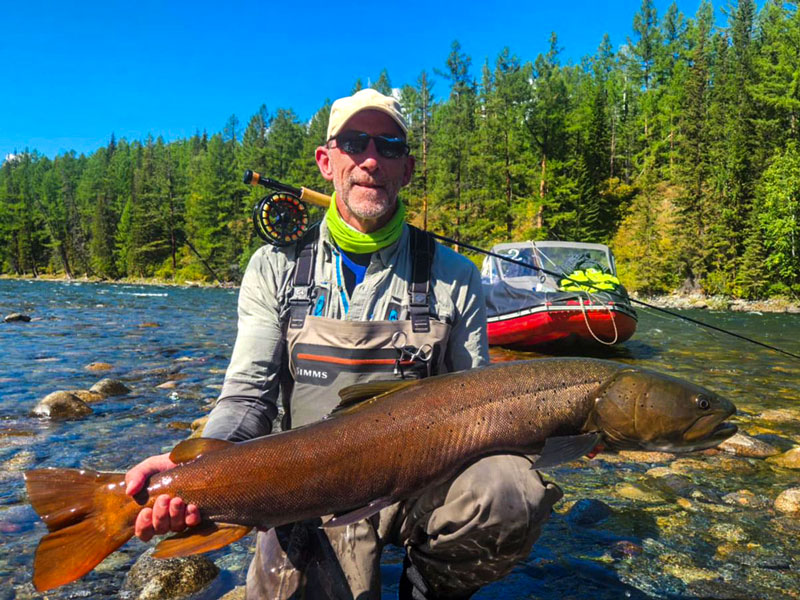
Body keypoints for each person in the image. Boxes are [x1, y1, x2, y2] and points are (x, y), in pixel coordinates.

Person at [125, 88, 562, 600]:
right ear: (326, 161)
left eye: (389, 146)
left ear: (408, 168)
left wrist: (561, 432)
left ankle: (428, 586)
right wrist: (200, 467)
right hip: (304, 484)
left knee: (511, 489)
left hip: (415, 481)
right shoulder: (275, 267)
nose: (371, 159)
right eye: (355, 142)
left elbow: (483, 410)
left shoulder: (454, 276)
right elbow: (248, 397)